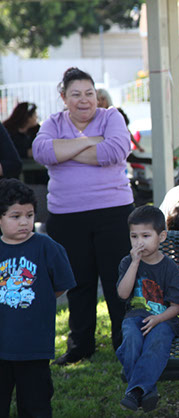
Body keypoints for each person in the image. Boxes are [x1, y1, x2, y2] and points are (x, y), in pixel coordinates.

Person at [32, 67, 134, 364]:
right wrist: (90, 142)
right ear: (64, 97)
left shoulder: (111, 116)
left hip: (113, 213)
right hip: (67, 216)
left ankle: (124, 342)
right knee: (78, 282)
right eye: (75, 94)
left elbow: (116, 151)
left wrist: (64, 151)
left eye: (89, 93)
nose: (84, 100)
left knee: (118, 280)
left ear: (96, 95)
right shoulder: (53, 123)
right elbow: (41, 152)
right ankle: (80, 345)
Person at [0, 179, 75, 417]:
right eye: (15, 216)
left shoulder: (47, 247)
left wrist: (35, 297)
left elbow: (60, 286)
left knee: (36, 406)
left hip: (34, 347)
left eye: (29, 215)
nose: (24, 222)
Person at [116, 206, 179, 412]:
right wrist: (135, 263)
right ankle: (147, 389)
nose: (139, 242)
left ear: (161, 236)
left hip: (164, 320)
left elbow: (176, 307)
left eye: (146, 235)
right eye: (134, 236)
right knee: (131, 339)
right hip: (135, 317)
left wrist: (158, 319)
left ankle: (135, 390)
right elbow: (123, 294)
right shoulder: (127, 262)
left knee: (157, 341)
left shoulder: (169, 267)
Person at [97, 88, 144, 152]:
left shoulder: (116, 113)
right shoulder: (94, 116)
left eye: (103, 99)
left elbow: (126, 131)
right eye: (98, 99)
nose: (100, 102)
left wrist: (138, 146)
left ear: (107, 99)